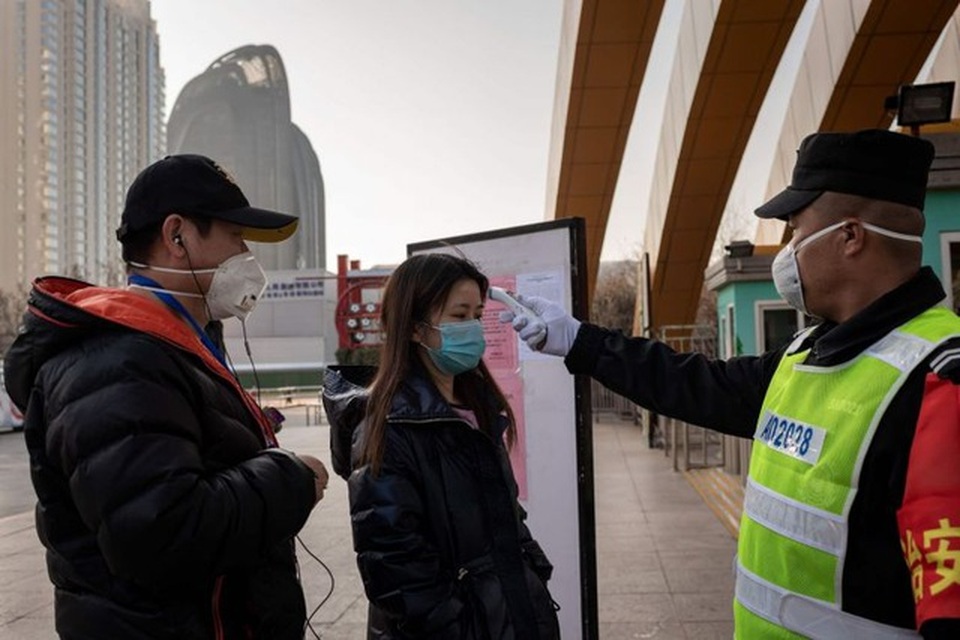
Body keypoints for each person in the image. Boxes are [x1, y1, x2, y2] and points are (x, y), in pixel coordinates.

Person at [501, 129, 960, 639]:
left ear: (850, 237)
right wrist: (577, 340)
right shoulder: (806, 354)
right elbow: (691, 383)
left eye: (795, 231)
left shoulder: (939, 380)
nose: (787, 252)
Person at [3, 154, 329, 639]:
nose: (248, 257)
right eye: (236, 237)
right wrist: (291, 477)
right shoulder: (117, 361)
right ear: (177, 236)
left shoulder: (168, 347)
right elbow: (161, 534)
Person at [323, 253, 560, 639]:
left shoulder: (477, 409)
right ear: (415, 329)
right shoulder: (387, 427)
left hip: (507, 616)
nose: (473, 328)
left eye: (477, 315)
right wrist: (459, 626)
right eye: (458, 315)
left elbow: (505, 517)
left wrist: (533, 577)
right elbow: (396, 567)